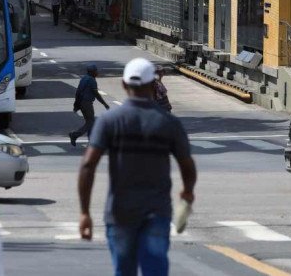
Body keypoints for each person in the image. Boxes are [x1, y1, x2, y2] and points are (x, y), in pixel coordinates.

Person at [77, 58, 197, 276]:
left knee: (124, 272)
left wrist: (85, 212)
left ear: (124, 85)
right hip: (157, 213)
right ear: (154, 85)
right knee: (155, 271)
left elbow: (88, 166)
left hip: (120, 213)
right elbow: (187, 164)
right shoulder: (169, 123)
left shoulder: (109, 121)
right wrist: (187, 191)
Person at [69, 64, 110, 146]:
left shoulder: (84, 78)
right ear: (92, 72)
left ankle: (91, 140)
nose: (97, 72)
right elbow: (96, 94)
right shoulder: (91, 80)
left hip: (81, 102)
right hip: (86, 103)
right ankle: (75, 135)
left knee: (90, 121)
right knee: (91, 122)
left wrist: (76, 104)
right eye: (96, 71)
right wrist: (105, 104)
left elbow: (78, 92)